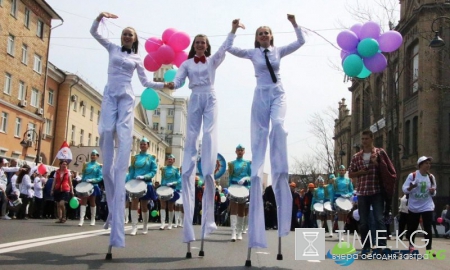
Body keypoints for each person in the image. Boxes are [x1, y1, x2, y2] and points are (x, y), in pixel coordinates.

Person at [90, 12, 168, 248]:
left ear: (134, 40)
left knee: (124, 136)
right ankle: (112, 211)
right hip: (109, 94)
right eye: (124, 33)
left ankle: (117, 214)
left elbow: (145, 83)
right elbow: (94, 33)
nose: (126, 36)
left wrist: (165, 84)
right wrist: (99, 17)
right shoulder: (112, 47)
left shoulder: (137, 58)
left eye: (130, 35)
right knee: (105, 131)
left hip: (125, 96)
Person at [227, 15, 305, 248]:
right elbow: (230, 48)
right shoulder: (252, 54)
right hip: (260, 93)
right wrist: (233, 29)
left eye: (266, 33)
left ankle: (279, 158)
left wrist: (294, 23)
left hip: (277, 92)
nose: (263, 35)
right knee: (260, 133)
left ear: (271, 36)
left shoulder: (278, 51)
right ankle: (259, 164)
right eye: (260, 33)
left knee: (279, 126)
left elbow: (300, 42)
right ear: (256, 37)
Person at [166, 21, 238, 244]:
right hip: (195, 96)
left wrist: (232, 31)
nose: (199, 45)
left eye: (202, 43)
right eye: (197, 42)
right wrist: (172, 85)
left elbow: (225, 48)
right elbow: (178, 80)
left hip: (210, 95)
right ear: (194, 46)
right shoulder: (187, 63)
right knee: (192, 133)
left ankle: (207, 162)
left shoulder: (212, 60)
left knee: (209, 133)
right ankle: (190, 160)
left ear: (206, 46)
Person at [348, 130, 394, 251]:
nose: (364, 141)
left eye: (366, 139)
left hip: (377, 191)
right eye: (362, 139)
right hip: (362, 192)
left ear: (372, 139)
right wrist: (360, 172)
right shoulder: (356, 156)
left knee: (379, 218)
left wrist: (377, 164)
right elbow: (351, 174)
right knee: (363, 221)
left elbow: (388, 170)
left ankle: (382, 245)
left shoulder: (379, 153)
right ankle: (366, 246)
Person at [402, 156, 437, 255]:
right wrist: (411, 186)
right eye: (426, 163)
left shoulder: (431, 177)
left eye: (429, 163)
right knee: (412, 227)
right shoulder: (412, 176)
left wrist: (432, 191)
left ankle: (429, 249)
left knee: (427, 227)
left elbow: (434, 191)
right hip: (414, 206)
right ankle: (411, 246)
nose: (428, 165)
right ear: (420, 165)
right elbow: (404, 189)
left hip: (427, 205)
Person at [126, 138, 157, 235]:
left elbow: (153, 171)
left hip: (146, 183)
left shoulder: (151, 157)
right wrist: (128, 183)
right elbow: (131, 171)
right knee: (134, 203)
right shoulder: (134, 157)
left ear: (148, 146)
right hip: (135, 183)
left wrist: (144, 176)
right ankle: (134, 227)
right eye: (141, 144)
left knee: (144, 205)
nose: (143, 145)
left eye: (145, 144)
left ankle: (144, 225)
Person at [227, 144, 251, 241]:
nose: (240, 152)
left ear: (244, 152)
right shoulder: (231, 163)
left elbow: (250, 176)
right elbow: (230, 177)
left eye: (242, 150)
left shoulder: (248, 163)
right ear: (236, 151)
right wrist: (229, 187)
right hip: (234, 187)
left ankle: (239, 232)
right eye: (238, 150)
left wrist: (246, 180)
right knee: (233, 208)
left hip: (243, 187)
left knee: (241, 209)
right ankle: (233, 231)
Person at [78, 150, 103, 227]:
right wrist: (82, 181)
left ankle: (93, 219)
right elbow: (83, 174)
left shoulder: (99, 166)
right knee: (83, 201)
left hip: (93, 185)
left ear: (97, 156)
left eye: (94, 155)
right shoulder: (86, 165)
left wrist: (93, 180)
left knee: (92, 201)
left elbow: (100, 177)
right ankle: (81, 219)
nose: (92, 156)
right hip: (85, 184)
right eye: (92, 155)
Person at [159, 154, 181, 230]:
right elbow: (162, 178)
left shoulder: (176, 169)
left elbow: (179, 179)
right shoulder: (163, 168)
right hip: (163, 188)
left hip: (172, 188)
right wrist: (162, 185)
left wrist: (173, 183)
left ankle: (170, 223)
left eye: (171, 159)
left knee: (170, 206)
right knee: (162, 205)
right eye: (168, 159)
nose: (169, 160)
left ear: (174, 161)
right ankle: (162, 223)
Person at [333, 165, 354, 239]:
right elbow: (333, 191)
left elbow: (351, 191)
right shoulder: (335, 180)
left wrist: (348, 194)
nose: (341, 171)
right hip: (338, 198)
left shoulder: (348, 180)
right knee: (340, 216)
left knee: (345, 217)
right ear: (339, 171)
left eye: (343, 170)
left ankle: (341, 231)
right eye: (340, 170)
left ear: (345, 171)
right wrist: (332, 200)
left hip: (346, 199)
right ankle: (341, 234)